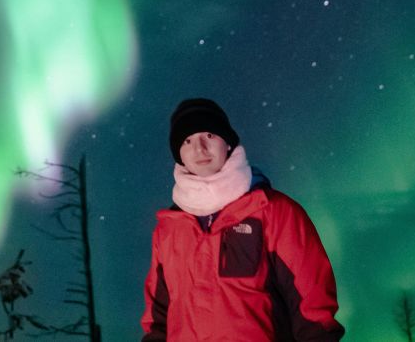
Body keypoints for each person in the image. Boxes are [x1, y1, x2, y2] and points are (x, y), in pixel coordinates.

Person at [140, 98, 344, 341]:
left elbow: (312, 304)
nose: (200, 149)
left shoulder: (275, 212)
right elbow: (157, 318)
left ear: (227, 143)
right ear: (179, 154)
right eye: (187, 141)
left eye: (209, 135)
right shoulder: (168, 230)